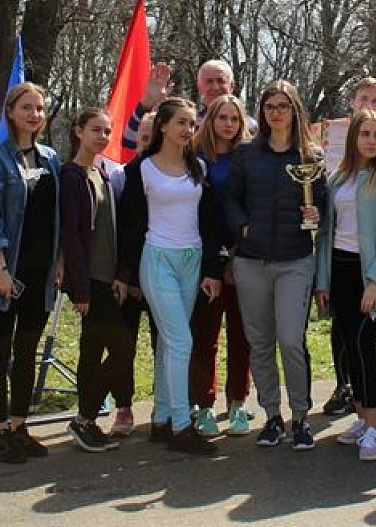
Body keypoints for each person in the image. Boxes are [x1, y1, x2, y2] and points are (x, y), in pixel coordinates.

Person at [116, 97, 226, 455]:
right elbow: (129, 226)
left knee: (169, 342)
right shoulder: (142, 169)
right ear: (162, 126)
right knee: (181, 341)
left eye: (192, 124)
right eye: (181, 122)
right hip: (157, 259)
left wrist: (211, 269)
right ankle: (182, 425)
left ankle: (162, 418)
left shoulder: (199, 167)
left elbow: (210, 224)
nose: (187, 130)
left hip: (192, 260)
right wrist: (126, 275)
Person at [225, 80, 329, 450]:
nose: (276, 113)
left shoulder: (311, 156)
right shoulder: (246, 153)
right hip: (251, 261)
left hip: (295, 261)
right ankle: (271, 415)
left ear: (294, 110)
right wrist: (243, 226)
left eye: (283, 106)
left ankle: (300, 417)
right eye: (270, 106)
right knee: (260, 342)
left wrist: (316, 214)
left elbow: (323, 205)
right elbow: (230, 201)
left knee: (290, 340)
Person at [0, 83, 60, 464]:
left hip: (40, 274)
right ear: (10, 111)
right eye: (26, 107)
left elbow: (57, 215)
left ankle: (19, 424)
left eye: (39, 108)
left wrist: (59, 264)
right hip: (5, 273)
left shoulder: (50, 158)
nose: (34, 115)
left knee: (27, 351)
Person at [315, 110, 376, 461]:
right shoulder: (338, 178)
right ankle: (360, 417)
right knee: (346, 346)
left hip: (369, 274)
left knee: (364, 345)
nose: (371, 141)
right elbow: (326, 232)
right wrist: (323, 281)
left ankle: (374, 427)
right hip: (339, 270)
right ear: (353, 137)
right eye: (365, 133)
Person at [60, 108, 138, 451]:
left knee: (92, 349)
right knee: (123, 349)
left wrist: (120, 276)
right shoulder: (71, 176)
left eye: (107, 131)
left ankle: (86, 423)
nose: (103, 137)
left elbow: (112, 229)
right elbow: (72, 236)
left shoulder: (103, 173)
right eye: (96, 130)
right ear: (78, 131)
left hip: (108, 279)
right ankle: (84, 419)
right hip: (89, 281)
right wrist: (80, 289)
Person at [317, 77, 376, 418]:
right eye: (363, 99)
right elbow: (326, 227)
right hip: (339, 263)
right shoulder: (334, 161)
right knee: (344, 334)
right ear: (352, 102)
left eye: (375, 101)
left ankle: (370, 417)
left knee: (363, 342)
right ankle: (347, 392)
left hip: (371, 266)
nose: (368, 106)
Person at [188, 94, 255, 437]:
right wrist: (216, 263)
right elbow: (202, 216)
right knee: (206, 336)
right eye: (222, 117)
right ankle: (204, 405)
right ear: (210, 120)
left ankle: (238, 402)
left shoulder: (249, 158)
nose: (228, 124)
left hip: (245, 259)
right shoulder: (195, 160)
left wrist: (238, 254)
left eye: (234, 118)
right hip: (206, 260)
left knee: (242, 336)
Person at [122, 59, 255, 150]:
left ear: (232, 86)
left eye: (221, 81)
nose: (215, 87)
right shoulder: (188, 124)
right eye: (209, 81)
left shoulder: (250, 126)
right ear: (200, 87)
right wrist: (147, 103)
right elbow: (130, 141)